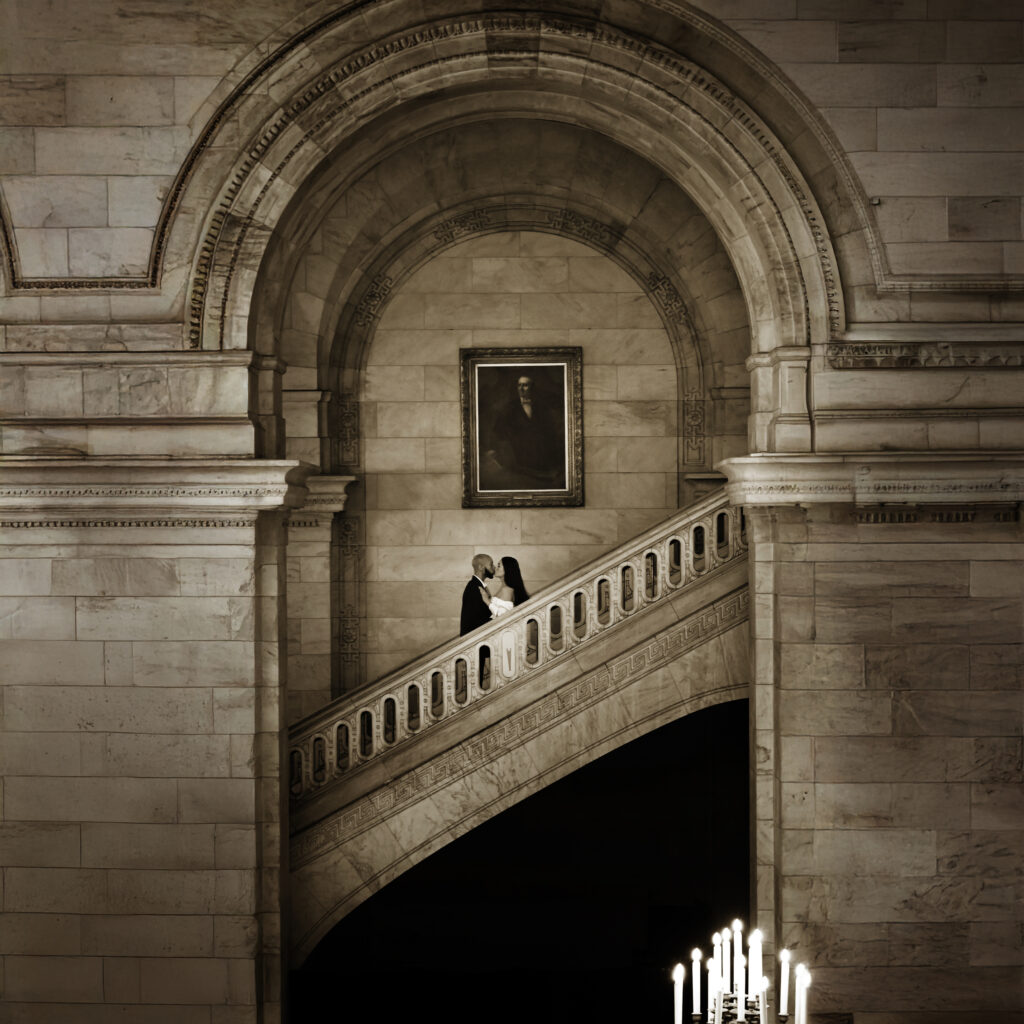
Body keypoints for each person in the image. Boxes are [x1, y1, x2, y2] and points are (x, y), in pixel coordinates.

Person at [480, 373, 565, 490]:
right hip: (520, 452)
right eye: (519, 385)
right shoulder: (510, 407)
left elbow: (549, 428)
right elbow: (499, 430)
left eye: (525, 385)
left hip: (540, 452)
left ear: (532, 387)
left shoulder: (541, 406)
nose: (521, 388)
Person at [459, 553, 494, 635]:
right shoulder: (474, 588)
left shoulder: (477, 585)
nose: (494, 568)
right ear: (481, 567)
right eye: (491, 564)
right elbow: (475, 620)